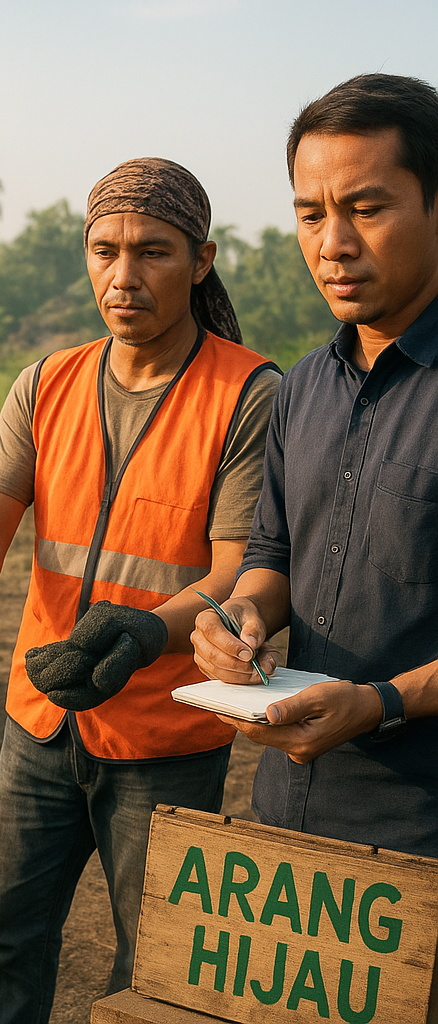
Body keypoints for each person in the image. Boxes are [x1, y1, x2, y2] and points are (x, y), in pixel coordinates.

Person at [0, 158, 280, 1022]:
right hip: (41, 713)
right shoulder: (47, 383)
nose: (125, 275)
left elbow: (235, 572)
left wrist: (146, 634)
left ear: (203, 260)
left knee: (153, 961)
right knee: (6, 928)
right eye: (105, 250)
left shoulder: (249, 393)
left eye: (153, 252)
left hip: (166, 730)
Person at [191, 73, 438, 858]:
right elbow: (273, 558)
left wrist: (381, 704)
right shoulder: (299, 389)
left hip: (423, 830)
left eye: (366, 209)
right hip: (292, 814)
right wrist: (242, 620)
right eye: (310, 213)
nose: (332, 242)